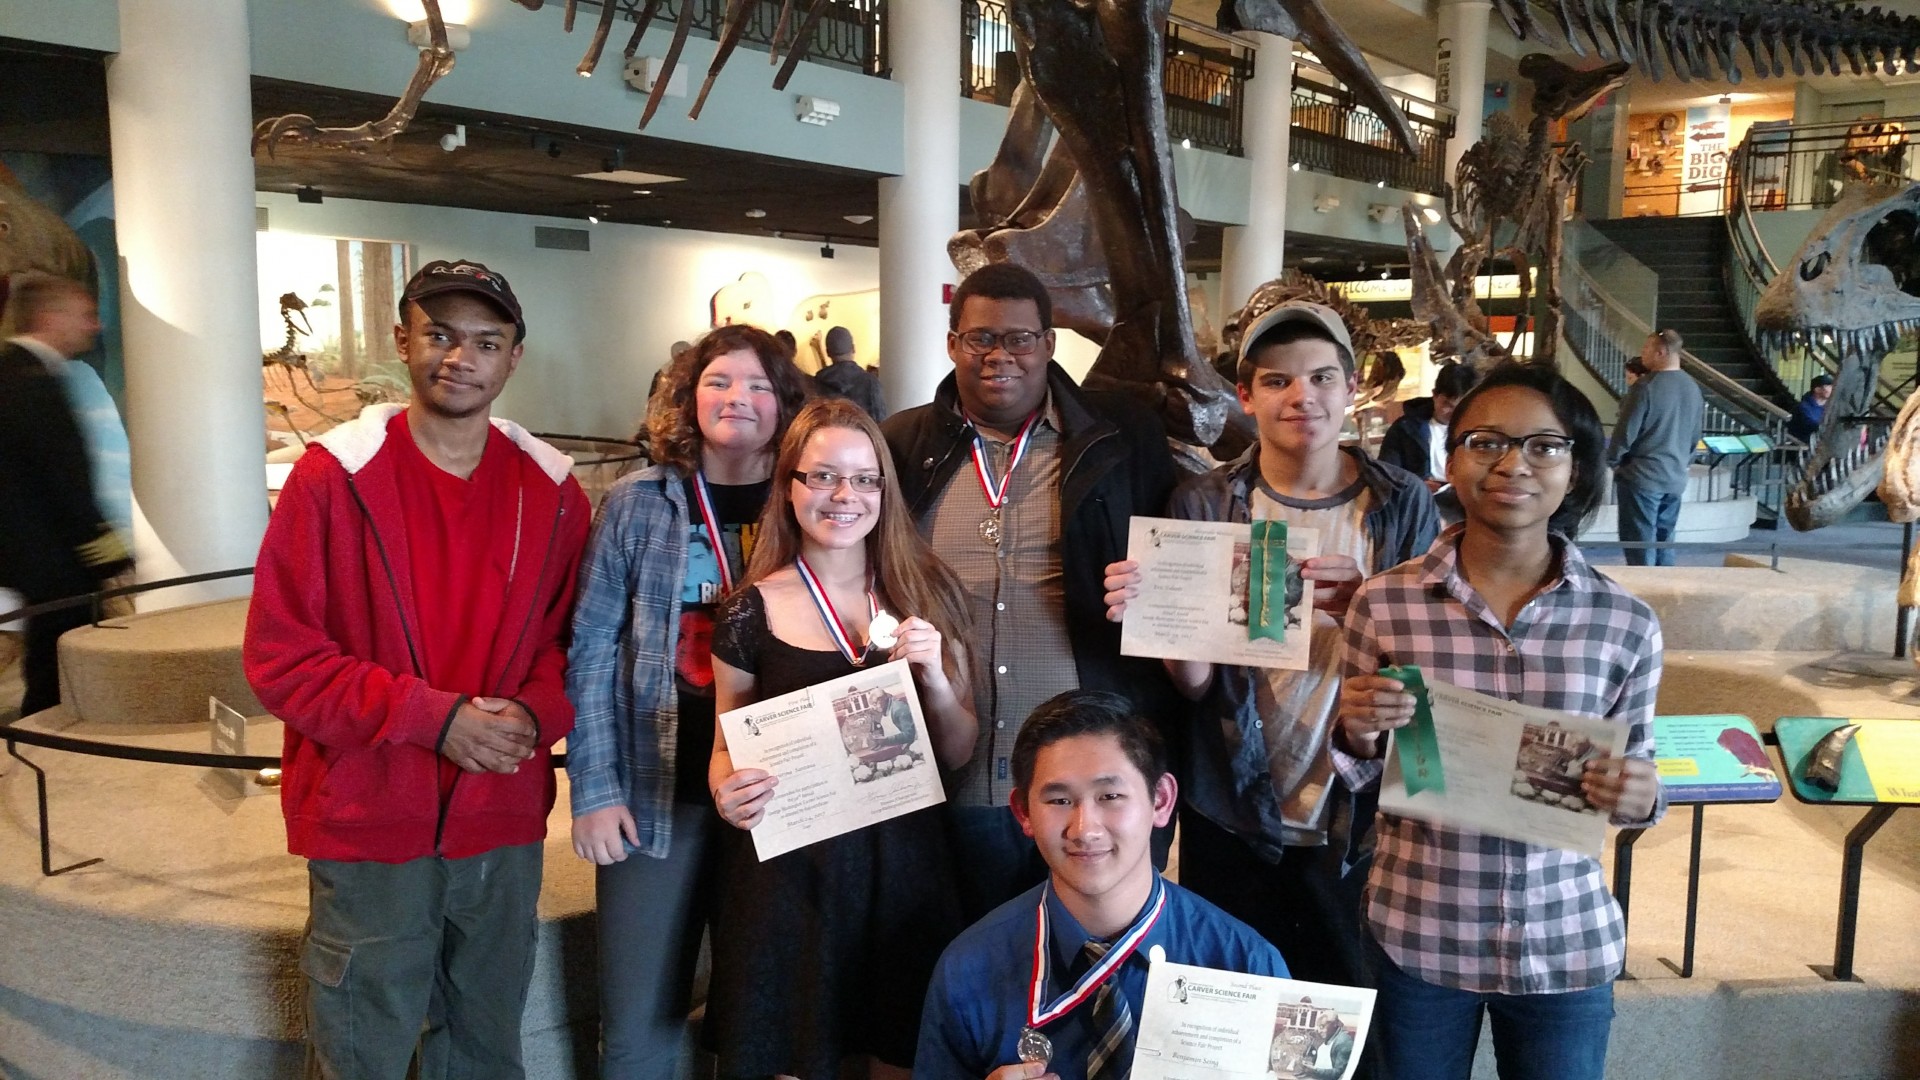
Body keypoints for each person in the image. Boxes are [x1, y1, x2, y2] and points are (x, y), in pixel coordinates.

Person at [243, 259, 590, 1077]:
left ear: (513, 358)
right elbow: (281, 657)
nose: (458, 357)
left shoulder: (551, 489)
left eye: (484, 341)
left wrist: (537, 716)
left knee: (483, 1043)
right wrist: (435, 719)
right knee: (362, 1047)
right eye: (438, 334)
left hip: (500, 818)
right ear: (403, 339)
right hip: (370, 817)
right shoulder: (333, 479)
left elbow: (576, 642)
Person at [1334, 361, 1665, 1080]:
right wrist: (1358, 728)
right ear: (1450, 459)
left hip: (1564, 938)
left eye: (1544, 446)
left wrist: (1640, 796)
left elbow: (1639, 776)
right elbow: (1359, 769)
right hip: (1419, 930)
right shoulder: (1384, 605)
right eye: (1486, 442)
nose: (1513, 463)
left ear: (1576, 469)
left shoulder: (1625, 624)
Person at [1101, 301, 1437, 990]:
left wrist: (1364, 610)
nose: (1301, 397)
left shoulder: (1402, 503)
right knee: (1231, 1004)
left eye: (1320, 378)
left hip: (1357, 812)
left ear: (1352, 388)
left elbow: (1433, 666)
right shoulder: (1203, 502)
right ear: (1247, 398)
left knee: (1345, 1013)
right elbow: (1194, 686)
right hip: (1235, 804)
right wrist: (1157, 610)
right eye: (1278, 381)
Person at [882, 262, 1177, 920]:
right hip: (949, 777)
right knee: (956, 958)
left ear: (1048, 344)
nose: (1000, 356)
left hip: (1083, 789)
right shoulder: (903, 445)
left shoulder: (1121, 438)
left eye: (1020, 339)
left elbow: (1176, 561)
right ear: (953, 342)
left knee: (1093, 955)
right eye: (981, 338)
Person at [706, 397, 978, 1079]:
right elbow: (723, 747)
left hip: (903, 866)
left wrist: (934, 679)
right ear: (789, 485)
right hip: (793, 876)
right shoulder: (749, 611)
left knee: (900, 1053)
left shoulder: (927, 594)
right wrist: (724, 792)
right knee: (797, 1054)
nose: (842, 496)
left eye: (862, 479)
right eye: (821, 476)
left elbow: (959, 750)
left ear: (884, 490)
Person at [565, 324, 809, 1079]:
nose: (739, 398)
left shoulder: (811, 500)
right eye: (720, 382)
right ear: (687, 396)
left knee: (761, 1018)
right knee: (638, 1022)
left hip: (774, 796)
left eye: (760, 385)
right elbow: (593, 649)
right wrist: (594, 791)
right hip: (652, 793)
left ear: (785, 405)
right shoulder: (638, 504)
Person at [915, 690, 1288, 1080]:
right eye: (1059, 801)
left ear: (1160, 801)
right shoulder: (968, 969)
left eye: (1110, 796)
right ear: (1023, 813)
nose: (1085, 829)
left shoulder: (1246, 967)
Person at [0, 273, 131, 717]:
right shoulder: (31, 382)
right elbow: (64, 484)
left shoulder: (18, 372)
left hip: (31, 555)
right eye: (85, 316)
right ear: (50, 316)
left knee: (48, 654)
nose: (94, 326)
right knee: (55, 660)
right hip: (49, 559)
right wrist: (111, 557)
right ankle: (46, 746)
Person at [1607, 329, 1703, 566]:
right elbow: (1695, 436)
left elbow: (1626, 432)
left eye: (1646, 350)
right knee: (1664, 538)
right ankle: (1665, 591)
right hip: (1675, 477)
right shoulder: (1693, 388)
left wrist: (1613, 461)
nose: (1642, 355)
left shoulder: (1645, 387)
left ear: (1661, 352)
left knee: (1640, 541)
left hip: (1642, 476)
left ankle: (1645, 594)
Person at [1378, 362, 1478, 490]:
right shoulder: (1404, 429)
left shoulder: (1479, 431)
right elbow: (1385, 473)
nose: (1453, 413)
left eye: (1461, 407)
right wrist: (1416, 487)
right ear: (1434, 395)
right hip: (1421, 499)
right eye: (1447, 404)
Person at [813, 324, 888, 421]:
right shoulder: (870, 383)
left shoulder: (816, 384)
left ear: (828, 352)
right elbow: (881, 423)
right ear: (853, 348)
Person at [1787, 372, 1835, 444]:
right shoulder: (1802, 408)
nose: (1832, 389)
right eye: (1829, 386)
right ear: (1817, 389)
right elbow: (1813, 425)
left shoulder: (1830, 407)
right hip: (1801, 448)